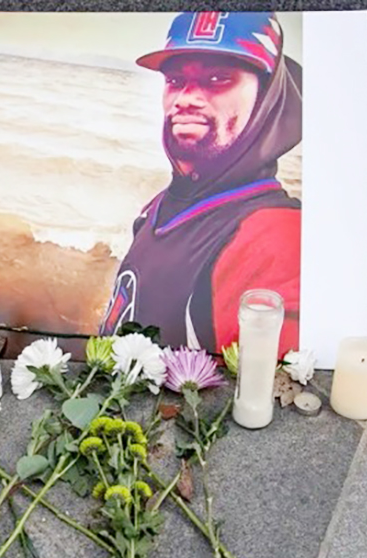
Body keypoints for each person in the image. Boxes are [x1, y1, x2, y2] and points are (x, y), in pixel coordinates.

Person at [100, 11, 302, 357]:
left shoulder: (275, 238)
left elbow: (265, 380)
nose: (185, 98)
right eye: (175, 80)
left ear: (267, 97)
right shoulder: (162, 204)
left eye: (218, 79)